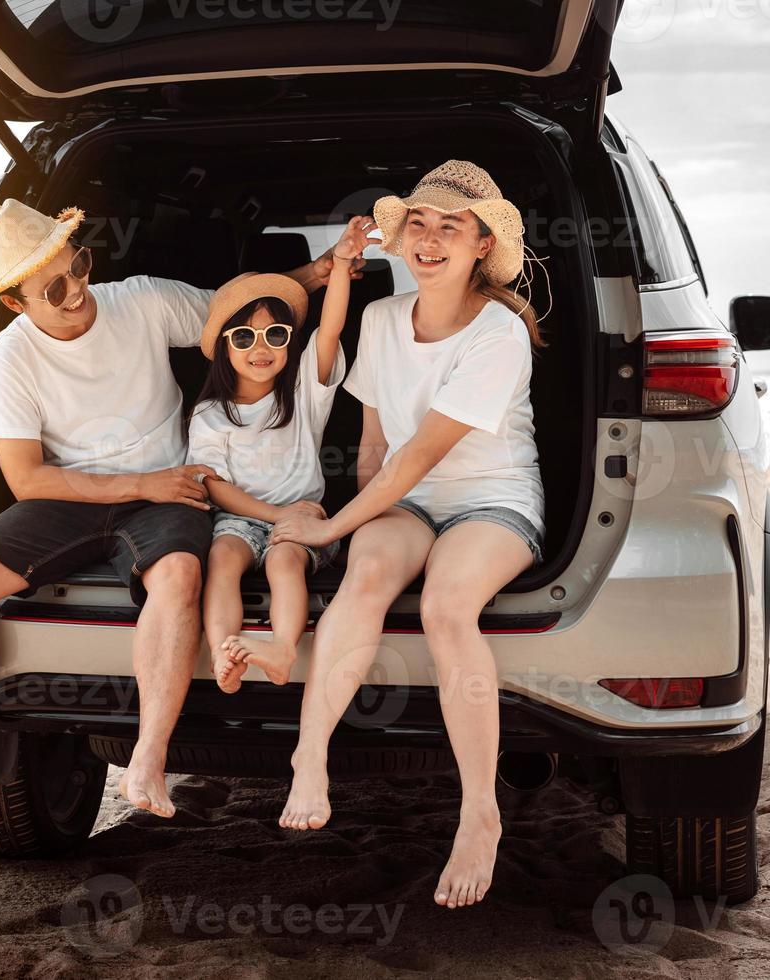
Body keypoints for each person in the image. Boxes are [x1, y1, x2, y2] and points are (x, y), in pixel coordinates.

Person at [0, 199, 345, 837]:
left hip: (165, 497)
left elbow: (234, 309)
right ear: (16, 304)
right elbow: (26, 478)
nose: (77, 289)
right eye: (53, 287)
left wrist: (317, 274)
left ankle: (149, 754)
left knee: (177, 578)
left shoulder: (138, 300)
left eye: (77, 264)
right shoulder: (7, 359)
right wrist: (141, 480)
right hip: (70, 494)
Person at [269, 161, 548, 909]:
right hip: (405, 498)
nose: (428, 240)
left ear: (482, 244)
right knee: (363, 581)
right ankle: (310, 753)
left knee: (445, 609)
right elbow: (375, 448)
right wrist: (355, 524)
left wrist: (330, 524)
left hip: (491, 499)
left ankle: (479, 812)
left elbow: (421, 454)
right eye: (417, 224)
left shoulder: (498, 334)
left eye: (449, 227)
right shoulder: (382, 318)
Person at [190, 217, 374, 693]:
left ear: (291, 345)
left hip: (305, 523)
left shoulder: (305, 393)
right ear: (224, 348)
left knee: (283, 561)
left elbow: (330, 327)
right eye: (245, 337)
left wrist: (343, 264)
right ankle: (222, 652)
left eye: (275, 335)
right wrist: (275, 514)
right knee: (223, 560)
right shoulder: (211, 413)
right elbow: (214, 486)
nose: (261, 348)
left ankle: (283, 649)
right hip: (244, 518)